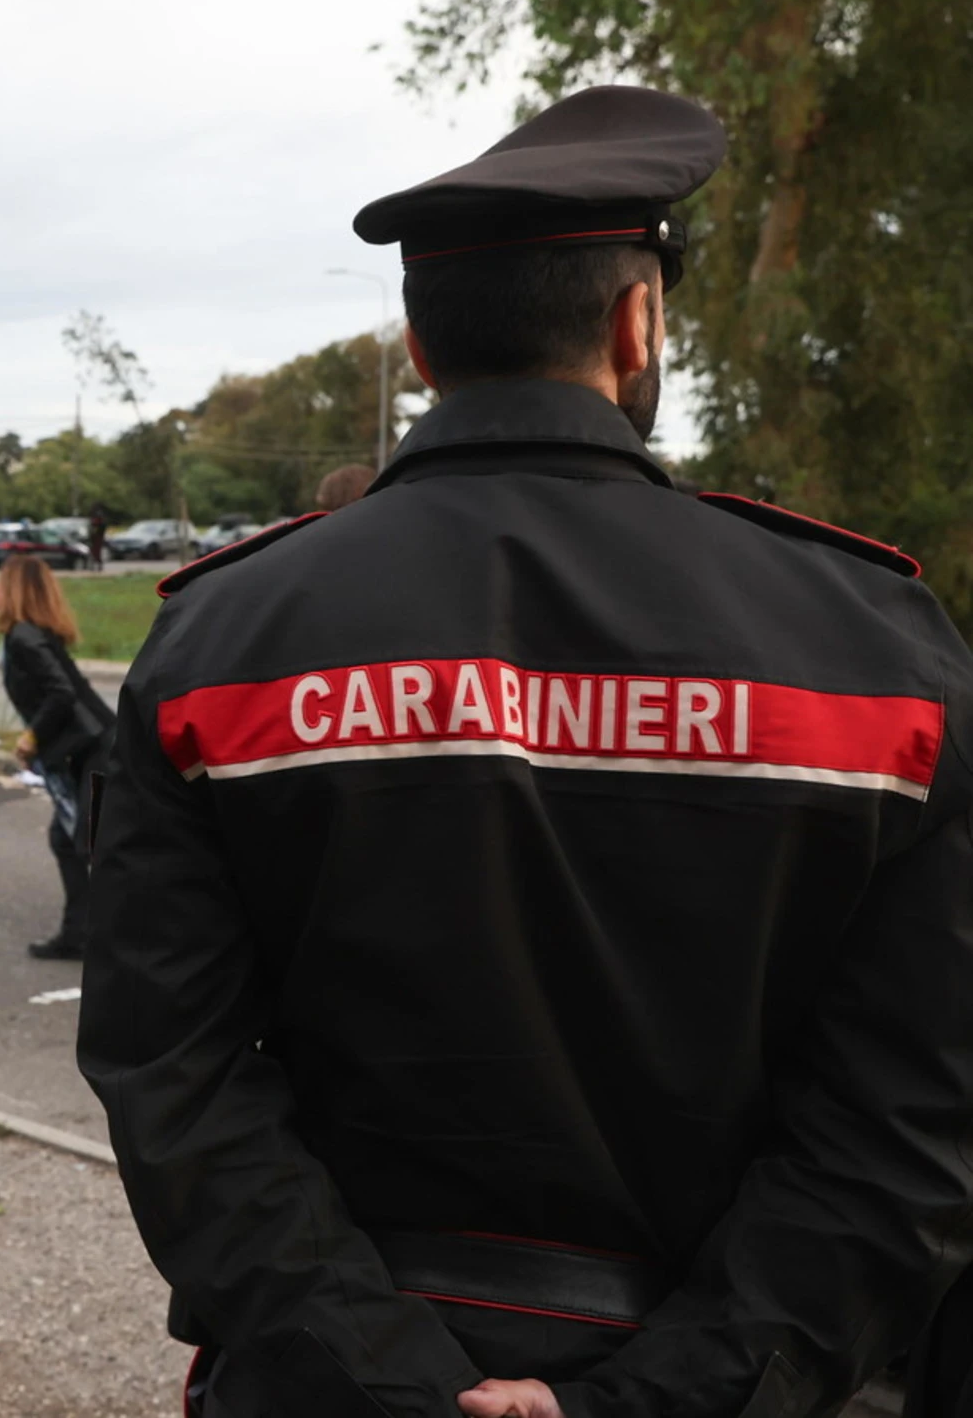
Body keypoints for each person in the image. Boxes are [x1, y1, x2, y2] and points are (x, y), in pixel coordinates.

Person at [77, 85, 973, 1418]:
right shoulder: (874, 648)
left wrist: (384, 1380)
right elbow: (909, 1121)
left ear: (420, 351)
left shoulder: (221, 642)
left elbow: (173, 1080)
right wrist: (668, 1393)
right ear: (635, 324)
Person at [0, 555, 116, 960]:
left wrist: (32, 737)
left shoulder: (23, 637)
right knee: (68, 840)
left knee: (95, 845)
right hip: (91, 748)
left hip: (98, 751)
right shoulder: (35, 634)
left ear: (13, 590)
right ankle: (77, 934)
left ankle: (123, 941)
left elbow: (61, 693)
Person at [88, 503, 109, 572]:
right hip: (95, 538)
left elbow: (98, 528)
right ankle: (94, 566)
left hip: (98, 537)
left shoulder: (98, 520)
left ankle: (97, 566)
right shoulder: (96, 519)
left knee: (97, 553)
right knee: (94, 552)